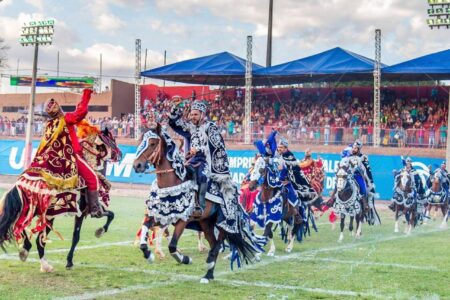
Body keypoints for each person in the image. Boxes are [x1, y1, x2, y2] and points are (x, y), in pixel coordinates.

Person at [40, 89, 102, 217]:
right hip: (71, 156)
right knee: (93, 178)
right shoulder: (66, 119)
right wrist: (86, 94)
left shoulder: (50, 124)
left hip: (52, 157)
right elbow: (81, 112)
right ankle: (94, 209)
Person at [169, 96, 231, 218]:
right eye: (191, 114)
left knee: (202, 175)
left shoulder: (210, 127)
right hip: (191, 159)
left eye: (195, 114)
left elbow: (218, 145)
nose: (192, 117)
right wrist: (175, 107)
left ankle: (201, 205)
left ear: (202, 114)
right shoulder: (190, 127)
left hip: (207, 160)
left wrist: (198, 149)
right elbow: (174, 123)